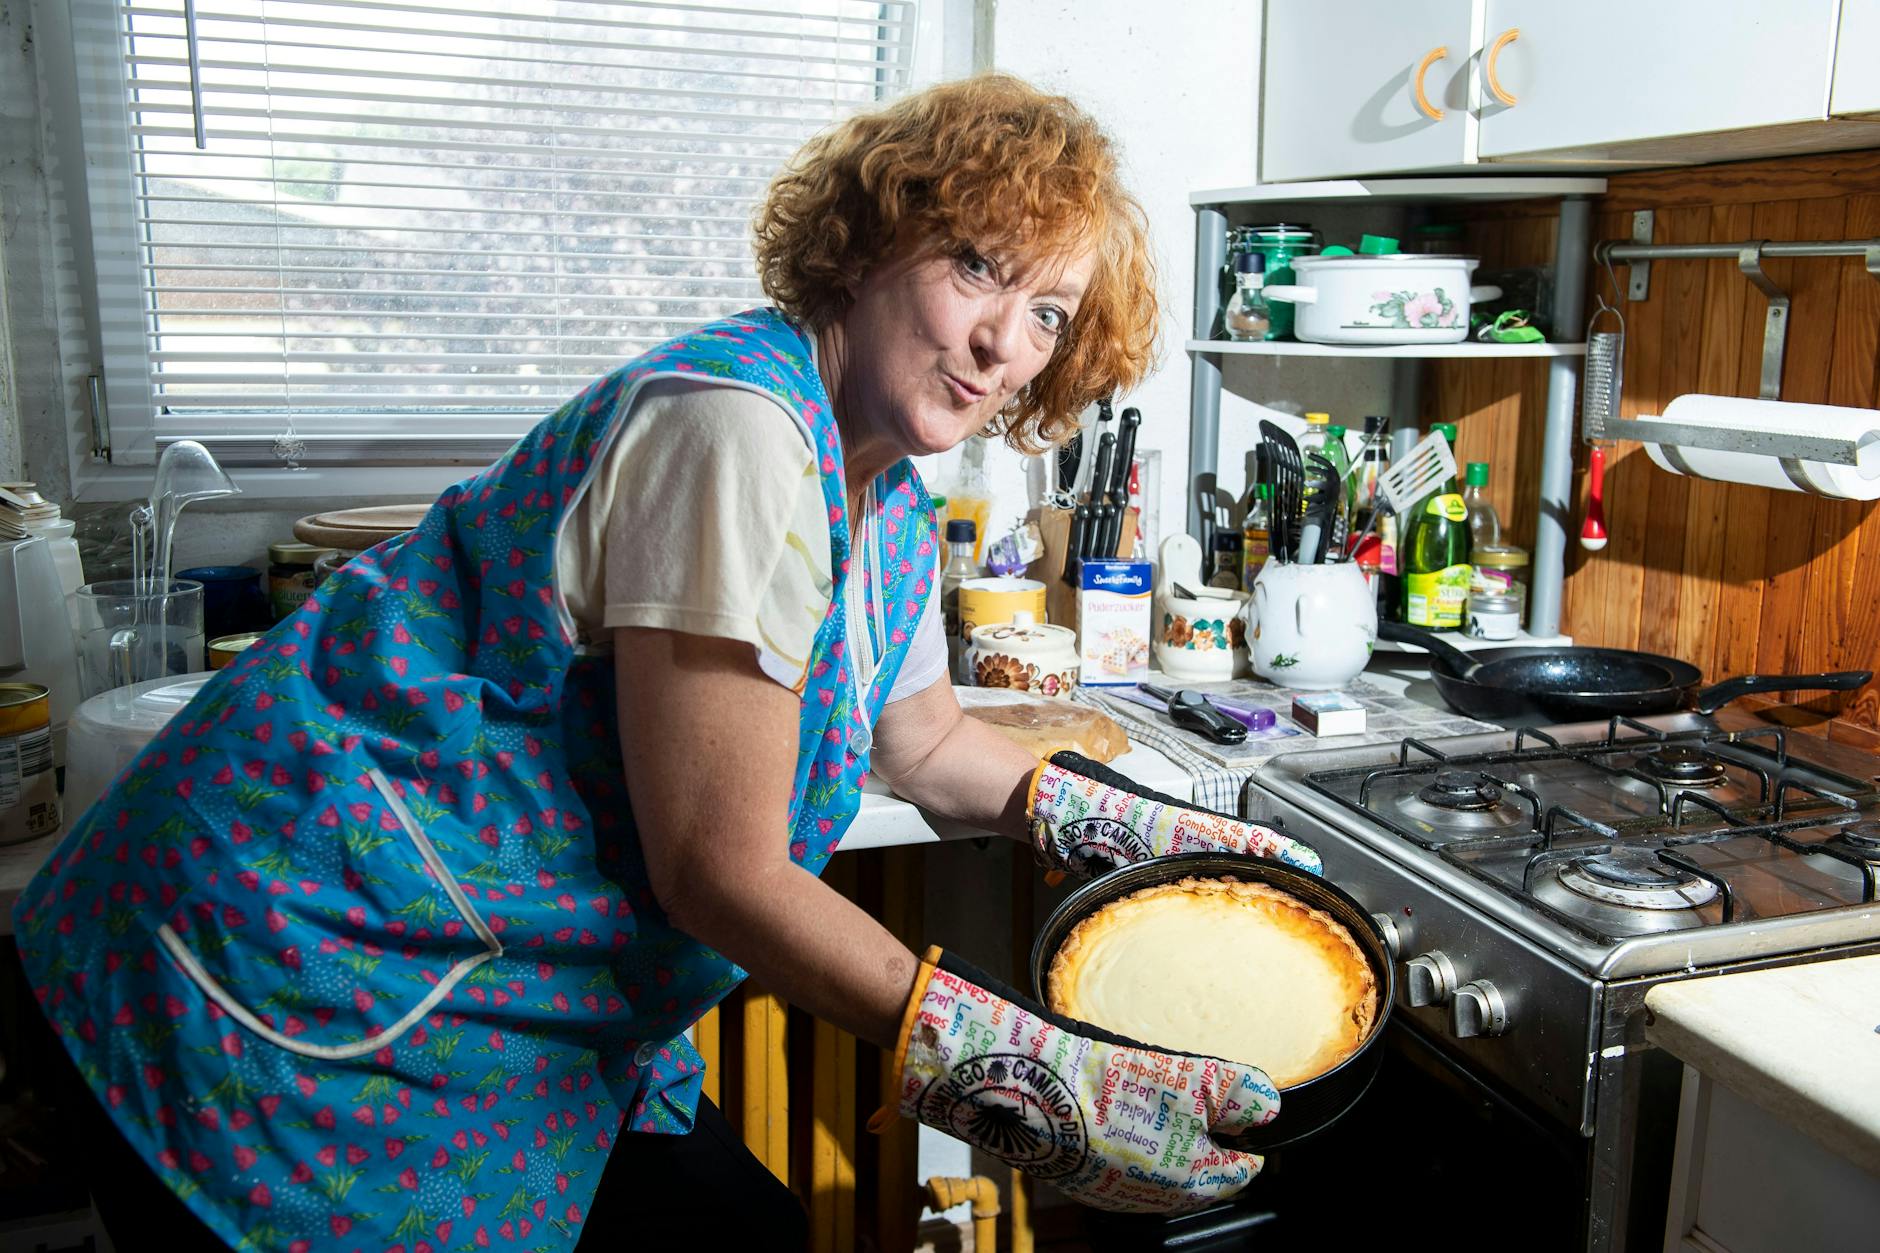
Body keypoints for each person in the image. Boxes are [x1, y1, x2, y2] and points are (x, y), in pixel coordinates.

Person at [14, 74, 1323, 1250]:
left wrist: (1158, 837)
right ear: (868, 240)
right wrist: (1031, 1071)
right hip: (274, 964)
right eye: (978, 267)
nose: (1004, 344)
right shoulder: (739, 431)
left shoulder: (891, 501)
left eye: (1047, 311)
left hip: (488, 987)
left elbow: (918, 743)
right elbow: (721, 871)